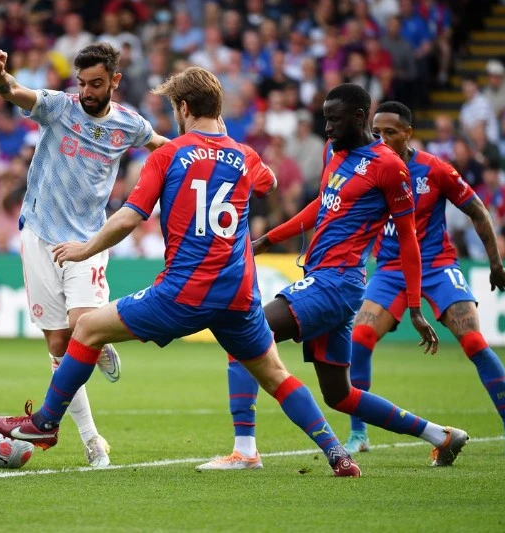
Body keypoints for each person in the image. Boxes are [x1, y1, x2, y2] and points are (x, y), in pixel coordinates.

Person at [0, 67, 362, 478]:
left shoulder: (169, 155)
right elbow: (268, 183)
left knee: (87, 329)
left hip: (183, 292)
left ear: (183, 108)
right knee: (275, 374)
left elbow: (130, 218)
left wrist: (85, 249)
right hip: (239, 295)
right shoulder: (243, 155)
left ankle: (44, 423)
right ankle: (338, 454)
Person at [199, 85, 469, 471]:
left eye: (334, 119)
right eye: (324, 118)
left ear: (359, 118)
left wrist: (414, 306)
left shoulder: (389, 166)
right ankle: (441, 436)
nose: (326, 127)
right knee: (340, 394)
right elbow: (321, 204)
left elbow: (409, 238)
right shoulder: (334, 151)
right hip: (328, 282)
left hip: (337, 282)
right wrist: (267, 240)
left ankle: (245, 451)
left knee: (244, 335)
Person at [0, 43, 168, 467]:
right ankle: (92, 442)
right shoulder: (58, 107)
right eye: (82, 82)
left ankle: (98, 340)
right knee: (60, 346)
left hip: (87, 241)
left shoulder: (128, 124)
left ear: (114, 82)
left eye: (96, 84)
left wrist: (201, 155)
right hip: (39, 235)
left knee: (83, 326)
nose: (86, 91)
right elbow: (14, 92)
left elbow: (163, 146)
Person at [344, 101, 505, 456]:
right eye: (376, 131)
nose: (380, 138)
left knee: (473, 342)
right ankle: (359, 433)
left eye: (390, 132)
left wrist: (495, 263)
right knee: (360, 339)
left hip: (437, 265)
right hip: (391, 269)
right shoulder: (367, 168)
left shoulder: (435, 170)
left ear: (408, 133)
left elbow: (477, 211)